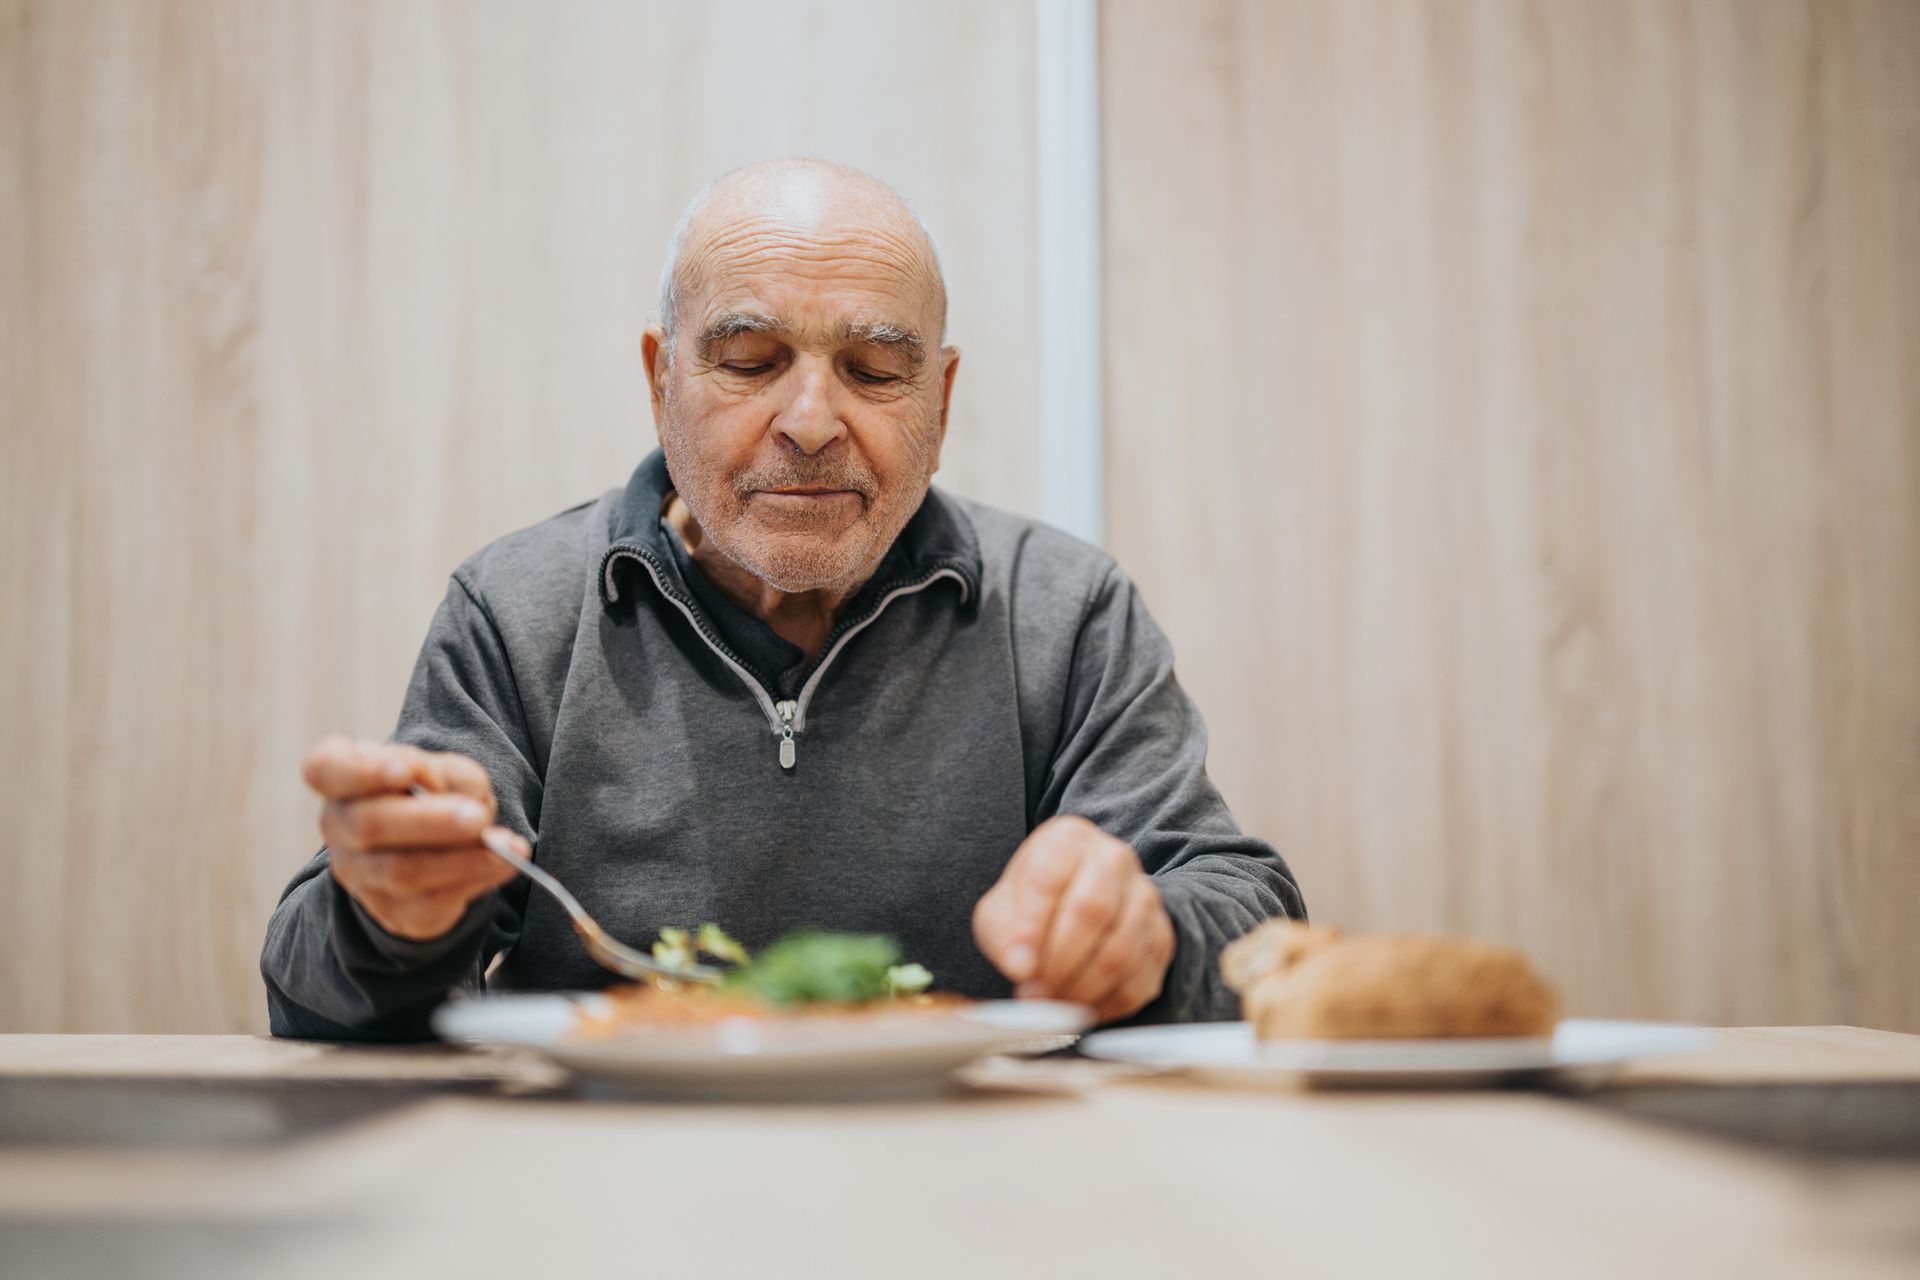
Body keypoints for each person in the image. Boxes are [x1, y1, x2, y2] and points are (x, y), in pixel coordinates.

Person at [261, 158, 1305, 1040]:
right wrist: (386, 914)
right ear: (659, 379)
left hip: (980, 1182)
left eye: (873, 367)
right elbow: (310, 987)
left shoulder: (1065, 612)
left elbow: (1252, 922)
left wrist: (1152, 938)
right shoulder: (517, 610)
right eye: (750, 360)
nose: (810, 420)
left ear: (940, 403)